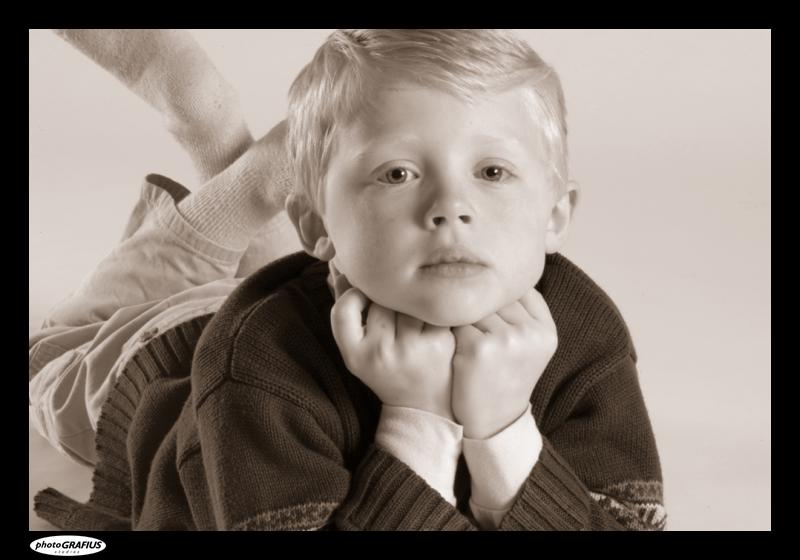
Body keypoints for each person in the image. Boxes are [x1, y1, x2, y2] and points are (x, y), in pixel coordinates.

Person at [31, 29, 666, 531]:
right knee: (49, 359)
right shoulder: (252, 365)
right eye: (398, 174)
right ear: (315, 226)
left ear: (556, 216)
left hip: (332, 280)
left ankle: (256, 167)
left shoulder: (586, 332)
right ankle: (219, 142)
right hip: (151, 355)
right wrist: (417, 419)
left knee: (345, 254)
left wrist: (504, 429)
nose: (452, 207)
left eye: (493, 172)